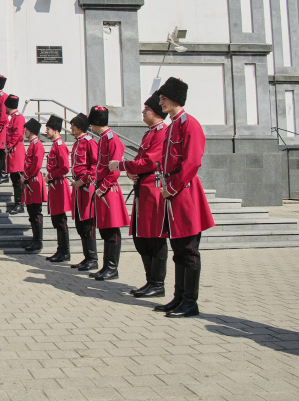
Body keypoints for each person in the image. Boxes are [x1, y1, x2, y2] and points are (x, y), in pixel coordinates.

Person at [154, 77, 215, 318]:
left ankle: (191, 302)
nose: (160, 102)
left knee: (189, 250)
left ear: (175, 98)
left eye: (164, 98)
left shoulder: (190, 124)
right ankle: (179, 297)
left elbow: (192, 162)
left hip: (185, 192)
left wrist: (173, 186)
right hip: (173, 191)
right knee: (178, 249)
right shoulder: (172, 125)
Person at [109, 93, 168, 298]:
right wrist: (134, 171)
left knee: (154, 237)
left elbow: (151, 162)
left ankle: (157, 283)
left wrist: (124, 166)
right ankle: (150, 279)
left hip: (153, 188)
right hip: (144, 188)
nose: (143, 112)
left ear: (157, 113)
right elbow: (142, 160)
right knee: (142, 238)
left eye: (147, 110)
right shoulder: (149, 133)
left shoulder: (161, 132)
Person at [87, 106, 130, 281]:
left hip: (108, 190)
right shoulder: (103, 138)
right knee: (105, 231)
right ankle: (106, 266)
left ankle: (112, 267)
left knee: (111, 230)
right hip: (102, 189)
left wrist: (103, 187)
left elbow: (115, 169)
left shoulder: (111, 139)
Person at [68, 113, 99, 272]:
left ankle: (93, 259)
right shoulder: (76, 143)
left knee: (88, 224)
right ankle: (87, 257)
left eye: (73, 125)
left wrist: (84, 180)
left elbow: (95, 166)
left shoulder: (89, 143)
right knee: (80, 224)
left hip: (86, 187)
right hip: (78, 187)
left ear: (79, 126)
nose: (71, 127)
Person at [43, 115, 74, 260]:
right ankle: (60, 249)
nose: (46, 131)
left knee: (61, 220)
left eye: (48, 129)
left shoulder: (60, 146)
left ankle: (65, 251)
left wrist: (50, 176)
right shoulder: (56, 145)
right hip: (55, 186)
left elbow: (65, 168)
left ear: (55, 130)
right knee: (56, 219)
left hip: (59, 185)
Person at [21, 118, 47, 252]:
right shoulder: (32, 144)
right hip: (31, 180)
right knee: (31, 212)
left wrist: (26, 175)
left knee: (36, 212)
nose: (24, 131)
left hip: (34, 181)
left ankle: (38, 241)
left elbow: (36, 164)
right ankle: (35, 239)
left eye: (26, 129)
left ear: (31, 130)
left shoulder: (37, 144)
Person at [4, 95, 25, 215]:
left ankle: (20, 204)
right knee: (14, 177)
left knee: (17, 178)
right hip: (13, 151)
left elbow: (17, 134)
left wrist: (9, 146)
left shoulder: (18, 117)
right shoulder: (13, 117)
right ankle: (17, 202)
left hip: (16, 150)